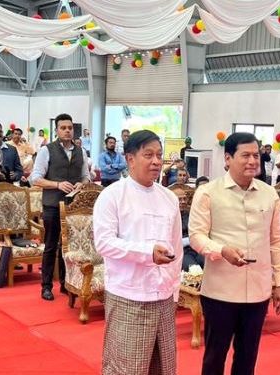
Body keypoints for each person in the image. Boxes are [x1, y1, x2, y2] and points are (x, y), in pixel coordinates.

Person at [189, 132, 280, 375]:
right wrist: (221, 250)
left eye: (256, 155)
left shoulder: (269, 193)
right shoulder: (208, 192)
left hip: (258, 290)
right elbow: (196, 236)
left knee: (247, 357)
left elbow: (276, 240)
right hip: (220, 291)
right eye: (245, 155)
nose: (253, 161)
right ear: (228, 158)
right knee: (215, 356)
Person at [93, 130, 182, 375]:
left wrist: (174, 291)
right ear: (130, 158)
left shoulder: (169, 198)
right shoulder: (112, 196)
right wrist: (147, 252)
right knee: (127, 367)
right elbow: (104, 243)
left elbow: (176, 247)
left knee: (163, 366)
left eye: (159, 155)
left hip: (163, 295)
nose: (156, 161)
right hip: (129, 296)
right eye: (148, 155)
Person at [30, 113, 90, 301]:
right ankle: (46, 286)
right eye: (63, 128)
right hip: (52, 205)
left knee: (69, 247)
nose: (67, 131)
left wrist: (83, 183)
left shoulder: (81, 151)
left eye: (70, 128)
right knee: (51, 246)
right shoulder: (46, 150)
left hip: (74, 206)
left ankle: (67, 283)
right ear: (56, 130)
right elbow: (35, 178)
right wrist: (57, 184)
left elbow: (86, 175)